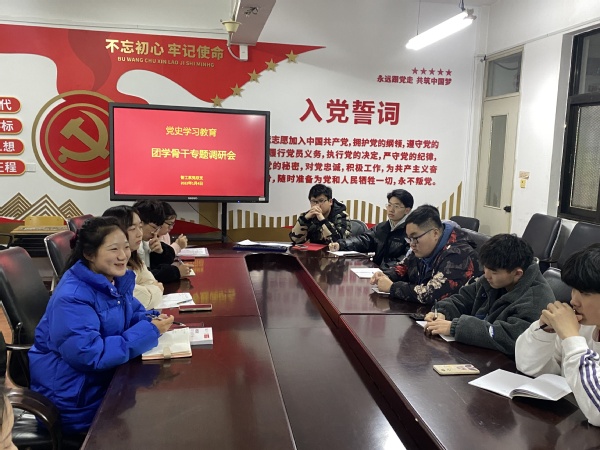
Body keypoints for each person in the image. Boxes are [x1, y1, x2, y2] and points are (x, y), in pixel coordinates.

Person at [28, 216, 173, 434]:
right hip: (76, 401)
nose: (123, 256)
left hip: (103, 384)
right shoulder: (72, 297)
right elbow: (89, 354)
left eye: (126, 247)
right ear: (89, 254)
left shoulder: (114, 281)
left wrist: (151, 319)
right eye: (114, 249)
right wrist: (149, 331)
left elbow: (132, 314)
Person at [424, 234, 553, 357]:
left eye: (494, 272)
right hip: (480, 354)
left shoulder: (536, 299)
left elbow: (511, 338)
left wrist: (456, 328)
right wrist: (442, 312)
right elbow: (463, 299)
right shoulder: (493, 280)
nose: (487, 275)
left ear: (517, 274)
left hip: (508, 365)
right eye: (485, 268)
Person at [515, 243, 600, 427]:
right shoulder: (585, 325)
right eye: (573, 289)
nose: (574, 300)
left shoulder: (575, 332)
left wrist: (571, 338)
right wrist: (544, 332)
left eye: (585, 293)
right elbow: (530, 367)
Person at [370, 204, 482, 304]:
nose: (412, 244)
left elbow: (432, 294)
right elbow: (404, 267)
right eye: (409, 239)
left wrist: (392, 287)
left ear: (435, 233)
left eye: (415, 238)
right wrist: (386, 276)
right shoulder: (424, 248)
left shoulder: (459, 255)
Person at [329, 189, 413, 270]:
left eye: (396, 206)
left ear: (407, 210)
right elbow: (363, 240)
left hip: (394, 275)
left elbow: (405, 260)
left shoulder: (411, 232)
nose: (391, 210)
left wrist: (385, 271)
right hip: (376, 273)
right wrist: (341, 245)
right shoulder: (382, 227)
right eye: (389, 205)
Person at [102, 206, 164, 308]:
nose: (139, 234)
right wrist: (156, 291)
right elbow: (138, 300)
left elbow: (150, 281)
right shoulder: (109, 264)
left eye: (140, 227)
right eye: (132, 229)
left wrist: (151, 290)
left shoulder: (133, 256)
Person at [134, 200, 191, 283]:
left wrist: (160, 252)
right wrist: (176, 272)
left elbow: (158, 265)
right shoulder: (131, 245)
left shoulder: (145, 241)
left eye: (158, 228)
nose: (155, 233)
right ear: (140, 223)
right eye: (154, 227)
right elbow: (143, 277)